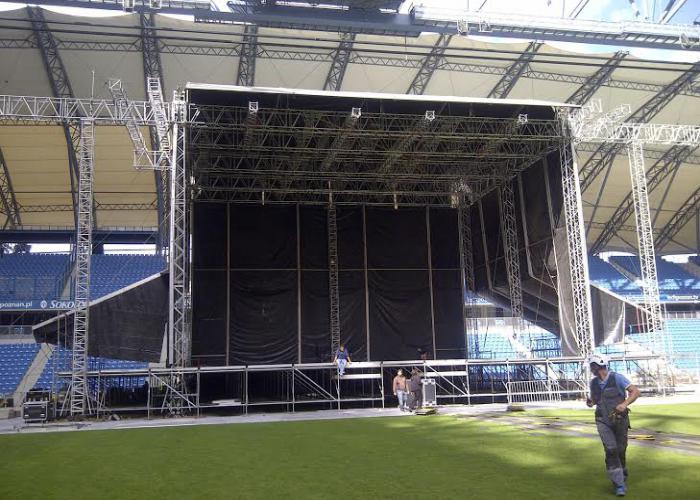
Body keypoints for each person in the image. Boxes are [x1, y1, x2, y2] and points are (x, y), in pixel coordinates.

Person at [586, 354, 640, 497]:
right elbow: (595, 400)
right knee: (611, 449)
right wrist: (591, 402)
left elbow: (635, 392)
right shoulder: (593, 383)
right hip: (602, 420)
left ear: (598, 366)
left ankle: (622, 470)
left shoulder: (617, 378)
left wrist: (624, 404)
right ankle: (619, 484)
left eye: (592, 366)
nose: (591, 369)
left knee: (621, 449)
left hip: (620, 420)